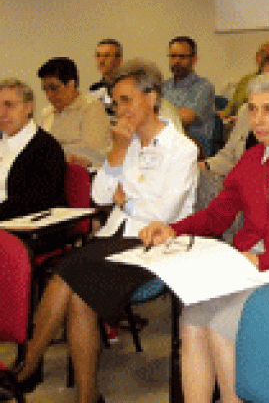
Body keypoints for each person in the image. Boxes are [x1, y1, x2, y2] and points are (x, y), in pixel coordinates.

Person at [140, 72, 269, 403]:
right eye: (252, 109)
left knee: (223, 324)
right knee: (192, 319)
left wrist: (263, 259)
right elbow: (218, 214)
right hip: (246, 265)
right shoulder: (251, 159)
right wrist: (174, 228)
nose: (258, 119)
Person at [8, 60, 198, 403]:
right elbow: (98, 197)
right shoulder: (127, 142)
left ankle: (26, 369)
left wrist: (126, 200)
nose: (119, 110)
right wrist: (118, 155)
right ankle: (85, 394)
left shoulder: (181, 149)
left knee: (70, 277)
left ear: (152, 97)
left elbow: (163, 213)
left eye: (126, 100)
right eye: (115, 102)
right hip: (114, 237)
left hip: (154, 243)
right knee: (76, 288)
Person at [0, 78, 67, 220]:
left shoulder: (46, 148)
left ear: (28, 107)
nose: (1, 113)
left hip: (28, 228)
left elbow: (32, 203)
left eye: (9, 105)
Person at [38, 57, 111, 167]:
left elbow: (93, 153)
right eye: (45, 89)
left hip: (82, 175)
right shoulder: (46, 113)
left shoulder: (91, 108)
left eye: (54, 88)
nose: (49, 95)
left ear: (71, 84)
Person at [163, 35, 216, 155]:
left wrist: (156, 116)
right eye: (173, 56)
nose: (177, 61)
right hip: (166, 143)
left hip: (195, 147)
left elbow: (183, 119)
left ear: (194, 59)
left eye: (182, 57)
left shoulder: (204, 87)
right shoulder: (163, 86)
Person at [219, 41, 269, 121]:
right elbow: (232, 105)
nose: (263, 57)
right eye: (261, 53)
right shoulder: (246, 79)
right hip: (235, 122)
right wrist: (223, 114)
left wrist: (242, 118)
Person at [89, 39, 123, 116]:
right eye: (98, 56)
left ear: (119, 59)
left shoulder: (132, 87)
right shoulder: (94, 90)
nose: (101, 61)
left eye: (106, 56)